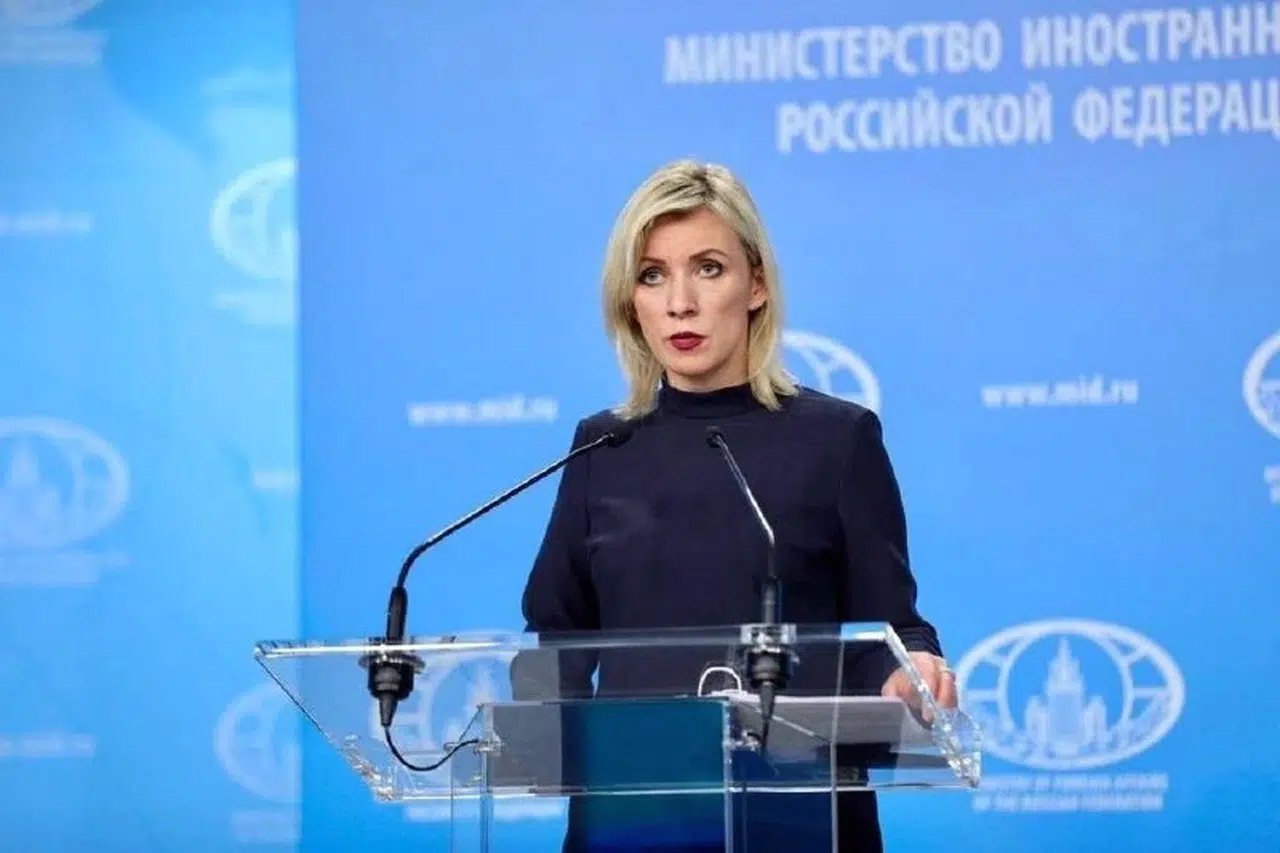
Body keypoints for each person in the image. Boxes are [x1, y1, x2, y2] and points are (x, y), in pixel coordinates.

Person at [518, 159, 958, 852]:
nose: (680, 302)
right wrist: (536, 731)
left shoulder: (837, 440)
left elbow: (892, 629)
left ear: (756, 284)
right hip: (633, 821)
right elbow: (556, 635)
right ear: (629, 300)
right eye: (652, 275)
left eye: (708, 268)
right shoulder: (602, 446)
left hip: (800, 820)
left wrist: (912, 672)